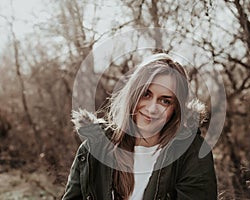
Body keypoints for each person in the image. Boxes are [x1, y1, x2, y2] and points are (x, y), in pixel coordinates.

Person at [62, 53, 217, 200]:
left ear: (175, 109)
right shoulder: (94, 148)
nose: (151, 109)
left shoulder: (193, 153)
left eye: (165, 101)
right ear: (133, 93)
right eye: (146, 94)